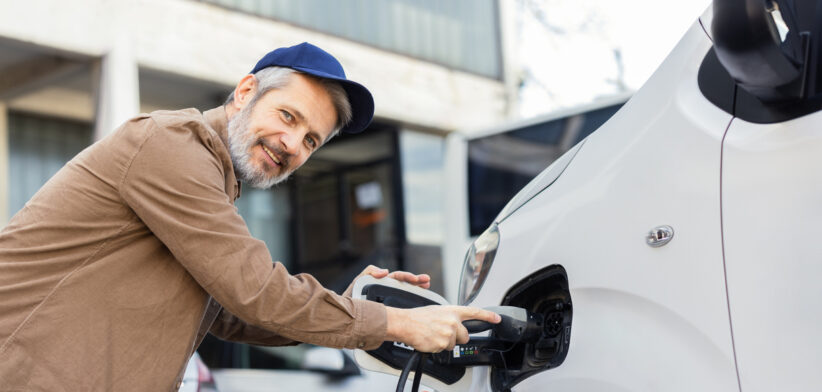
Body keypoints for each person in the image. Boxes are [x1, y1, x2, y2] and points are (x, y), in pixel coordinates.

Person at [0, 42, 499, 390]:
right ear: (244, 93)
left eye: (311, 141)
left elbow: (236, 313)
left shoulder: (213, 181)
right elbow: (257, 291)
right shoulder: (172, 146)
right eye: (288, 116)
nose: (292, 145)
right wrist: (395, 323)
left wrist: (347, 303)